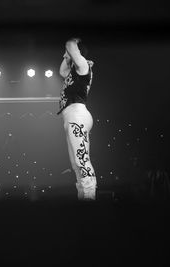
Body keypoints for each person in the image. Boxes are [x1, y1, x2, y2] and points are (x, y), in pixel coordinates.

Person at [57, 38, 97, 200]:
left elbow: (70, 46)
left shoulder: (83, 66)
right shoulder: (72, 71)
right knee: (76, 164)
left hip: (77, 115)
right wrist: (67, 57)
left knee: (81, 159)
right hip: (71, 117)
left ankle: (89, 196)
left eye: (66, 53)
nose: (63, 55)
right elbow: (61, 71)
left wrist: (74, 39)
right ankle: (83, 196)